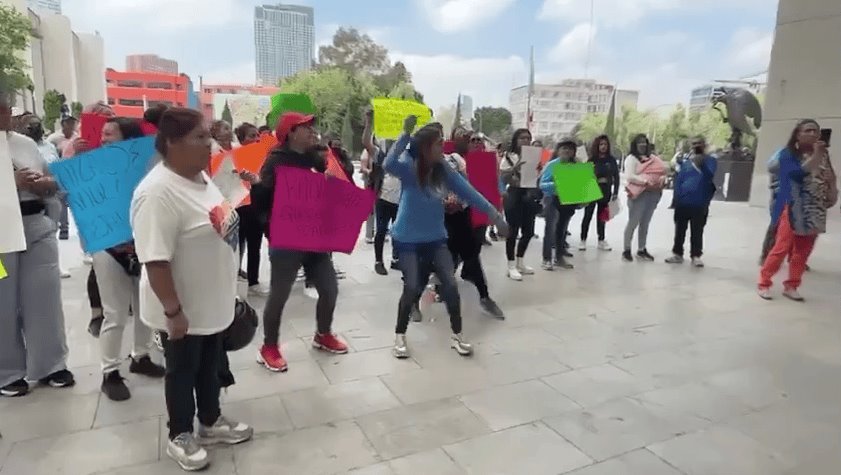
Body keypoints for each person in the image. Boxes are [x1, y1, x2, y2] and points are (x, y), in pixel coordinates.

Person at [131, 108, 252, 471]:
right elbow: (155, 260)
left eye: (208, 136)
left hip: (213, 300)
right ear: (172, 143)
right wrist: (172, 311)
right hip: (182, 306)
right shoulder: (157, 194)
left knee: (210, 365)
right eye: (200, 137)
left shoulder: (201, 177)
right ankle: (180, 434)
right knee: (182, 370)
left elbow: (217, 219)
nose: (210, 144)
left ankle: (210, 422)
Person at [384, 116, 508, 359]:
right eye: (438, 144)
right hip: (407, 239)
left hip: (435, 238)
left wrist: (496, 217)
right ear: (425, 147)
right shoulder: (410, 168)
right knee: (411, 287)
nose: (444, 147)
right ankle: (400, 336)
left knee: (450, 285)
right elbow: (388, 164)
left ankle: (458, 335)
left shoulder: (444, 170)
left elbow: (470, 193)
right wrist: (405, 134)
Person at [251, 112, 349, 373]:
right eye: (305, 128)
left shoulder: (315, 157)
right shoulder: (275, 161)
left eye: (311, 127)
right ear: (291, 132)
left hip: (315, 236)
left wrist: (332, 165)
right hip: (286, 238)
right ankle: (269, 347)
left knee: (329, 289)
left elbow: (340, 181)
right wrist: (259, 186)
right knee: (279, 295)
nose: (311, 132)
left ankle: (323, 334)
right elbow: (263, 201)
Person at [0, 92, 75, 397]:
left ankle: (51, 364)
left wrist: (41, 184)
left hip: (35, 226)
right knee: (3, 302)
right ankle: (8, 372)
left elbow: (50, 180)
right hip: (2, 234)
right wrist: (10, 181)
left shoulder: (24, 144)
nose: (6, 116)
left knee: (44, 296)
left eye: (7, 110)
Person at [90, 117, 166, 402]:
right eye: (103, 133)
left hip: (142, 244)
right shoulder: (92, 167)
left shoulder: (150, 167)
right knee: (115, 312)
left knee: (144, 304)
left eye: (110, 132)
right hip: (108, 247)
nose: (104, 137)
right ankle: (109, 371)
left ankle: (141, 356)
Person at [758, 119, 837, 301]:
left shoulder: (823, 155)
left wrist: (833, 191)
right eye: (808, 130)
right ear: (798, 134)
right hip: (794, 207)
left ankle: (792, 285)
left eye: (816, 131)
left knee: (803, 250)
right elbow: (796, 174)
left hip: (816, 209)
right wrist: (816, 156)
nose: (813, 134)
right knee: (782, 247)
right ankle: (764, 282)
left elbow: (830, 176)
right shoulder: (788, 154)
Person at [438, 127, 505, 318]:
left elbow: (468, 189)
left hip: (463, 215)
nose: (470, 139)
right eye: (466, 136)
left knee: (471, 255)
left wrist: (494, 213)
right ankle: (424, 296)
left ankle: (484, 297)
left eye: (473, 137)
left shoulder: (459, 161)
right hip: (440, 217)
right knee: (441, 256)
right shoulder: (440, 160)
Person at [665, 136, 717, 268]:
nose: (696, 146)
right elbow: (680, 180)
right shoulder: (686, 162)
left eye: (699, 144)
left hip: (700, 203)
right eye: (694, 144)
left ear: (704, 145)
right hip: (683, 202)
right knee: (680, 229)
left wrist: (702, 164)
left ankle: (696, 255)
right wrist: (677, 198)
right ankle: (677, 253)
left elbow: (710, 176)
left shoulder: (711, 161)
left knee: (697, 230)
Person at [362, 110, 401, 275]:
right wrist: (369, 123)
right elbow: (366, 142)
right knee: (381, 230)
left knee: (399, 231)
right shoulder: (380, 154)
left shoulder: (405, 156)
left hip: (400, 199)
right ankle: (379, 261)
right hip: (383, 198)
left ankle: (396, 259)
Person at [232, 122, 268, 296]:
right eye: (251, 135)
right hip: (239, 209)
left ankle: (254, 281)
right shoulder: (234, 157)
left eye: (257, 135)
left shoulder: (264, 158)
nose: (256, 139)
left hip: (257, 209)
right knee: (237, 246)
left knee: (255, 246)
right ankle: (236, 278)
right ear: (241, 139)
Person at [500, 128, 538, 280]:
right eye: (522, 138)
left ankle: (520, 261)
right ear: (516, 140)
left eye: (528, 138)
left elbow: (536, 177)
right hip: (514, 194)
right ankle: (511, 265)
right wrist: (515, 168)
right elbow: (503, 178)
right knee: (512, 231)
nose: (526, 141)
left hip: (528, 194)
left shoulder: (533, 156)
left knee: (528, 231)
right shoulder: (508, 157)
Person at [622, 134, 666, 262]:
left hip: (652, 193)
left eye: (644, 142)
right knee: (633, 222)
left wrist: (661, 180)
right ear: (635, 145)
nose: (642, 145)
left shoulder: (652, 159)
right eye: (639, 142)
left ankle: (642, 249)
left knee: (645, 223)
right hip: (638, 194)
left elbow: (662, 171)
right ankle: (626, 249)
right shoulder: (631, 159)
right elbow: (629, 176)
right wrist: (645, 181)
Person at [539, 138, 578, 270]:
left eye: (570, 148)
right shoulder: (552, 165)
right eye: (564, 148)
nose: (567, 151)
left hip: (568, 201)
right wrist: (557, 184)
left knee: (562, 230)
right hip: (552, 200)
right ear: (558, 150)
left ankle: (559, 257)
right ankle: (546, 258)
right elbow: (542, 184)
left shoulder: (576, 166)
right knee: (550, 230)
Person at [579, 134, 620, 251]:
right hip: (591, 190)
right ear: (597, 145)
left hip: (605, 191)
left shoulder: (611, 160)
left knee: (602, 217)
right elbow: (586, 176)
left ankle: (601, 240)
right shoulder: (592, 159)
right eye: (601, 144)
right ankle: (583, 240)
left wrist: (615, 192)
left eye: (605, 144)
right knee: (587, 215)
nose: (603, 147)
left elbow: (616, 176)